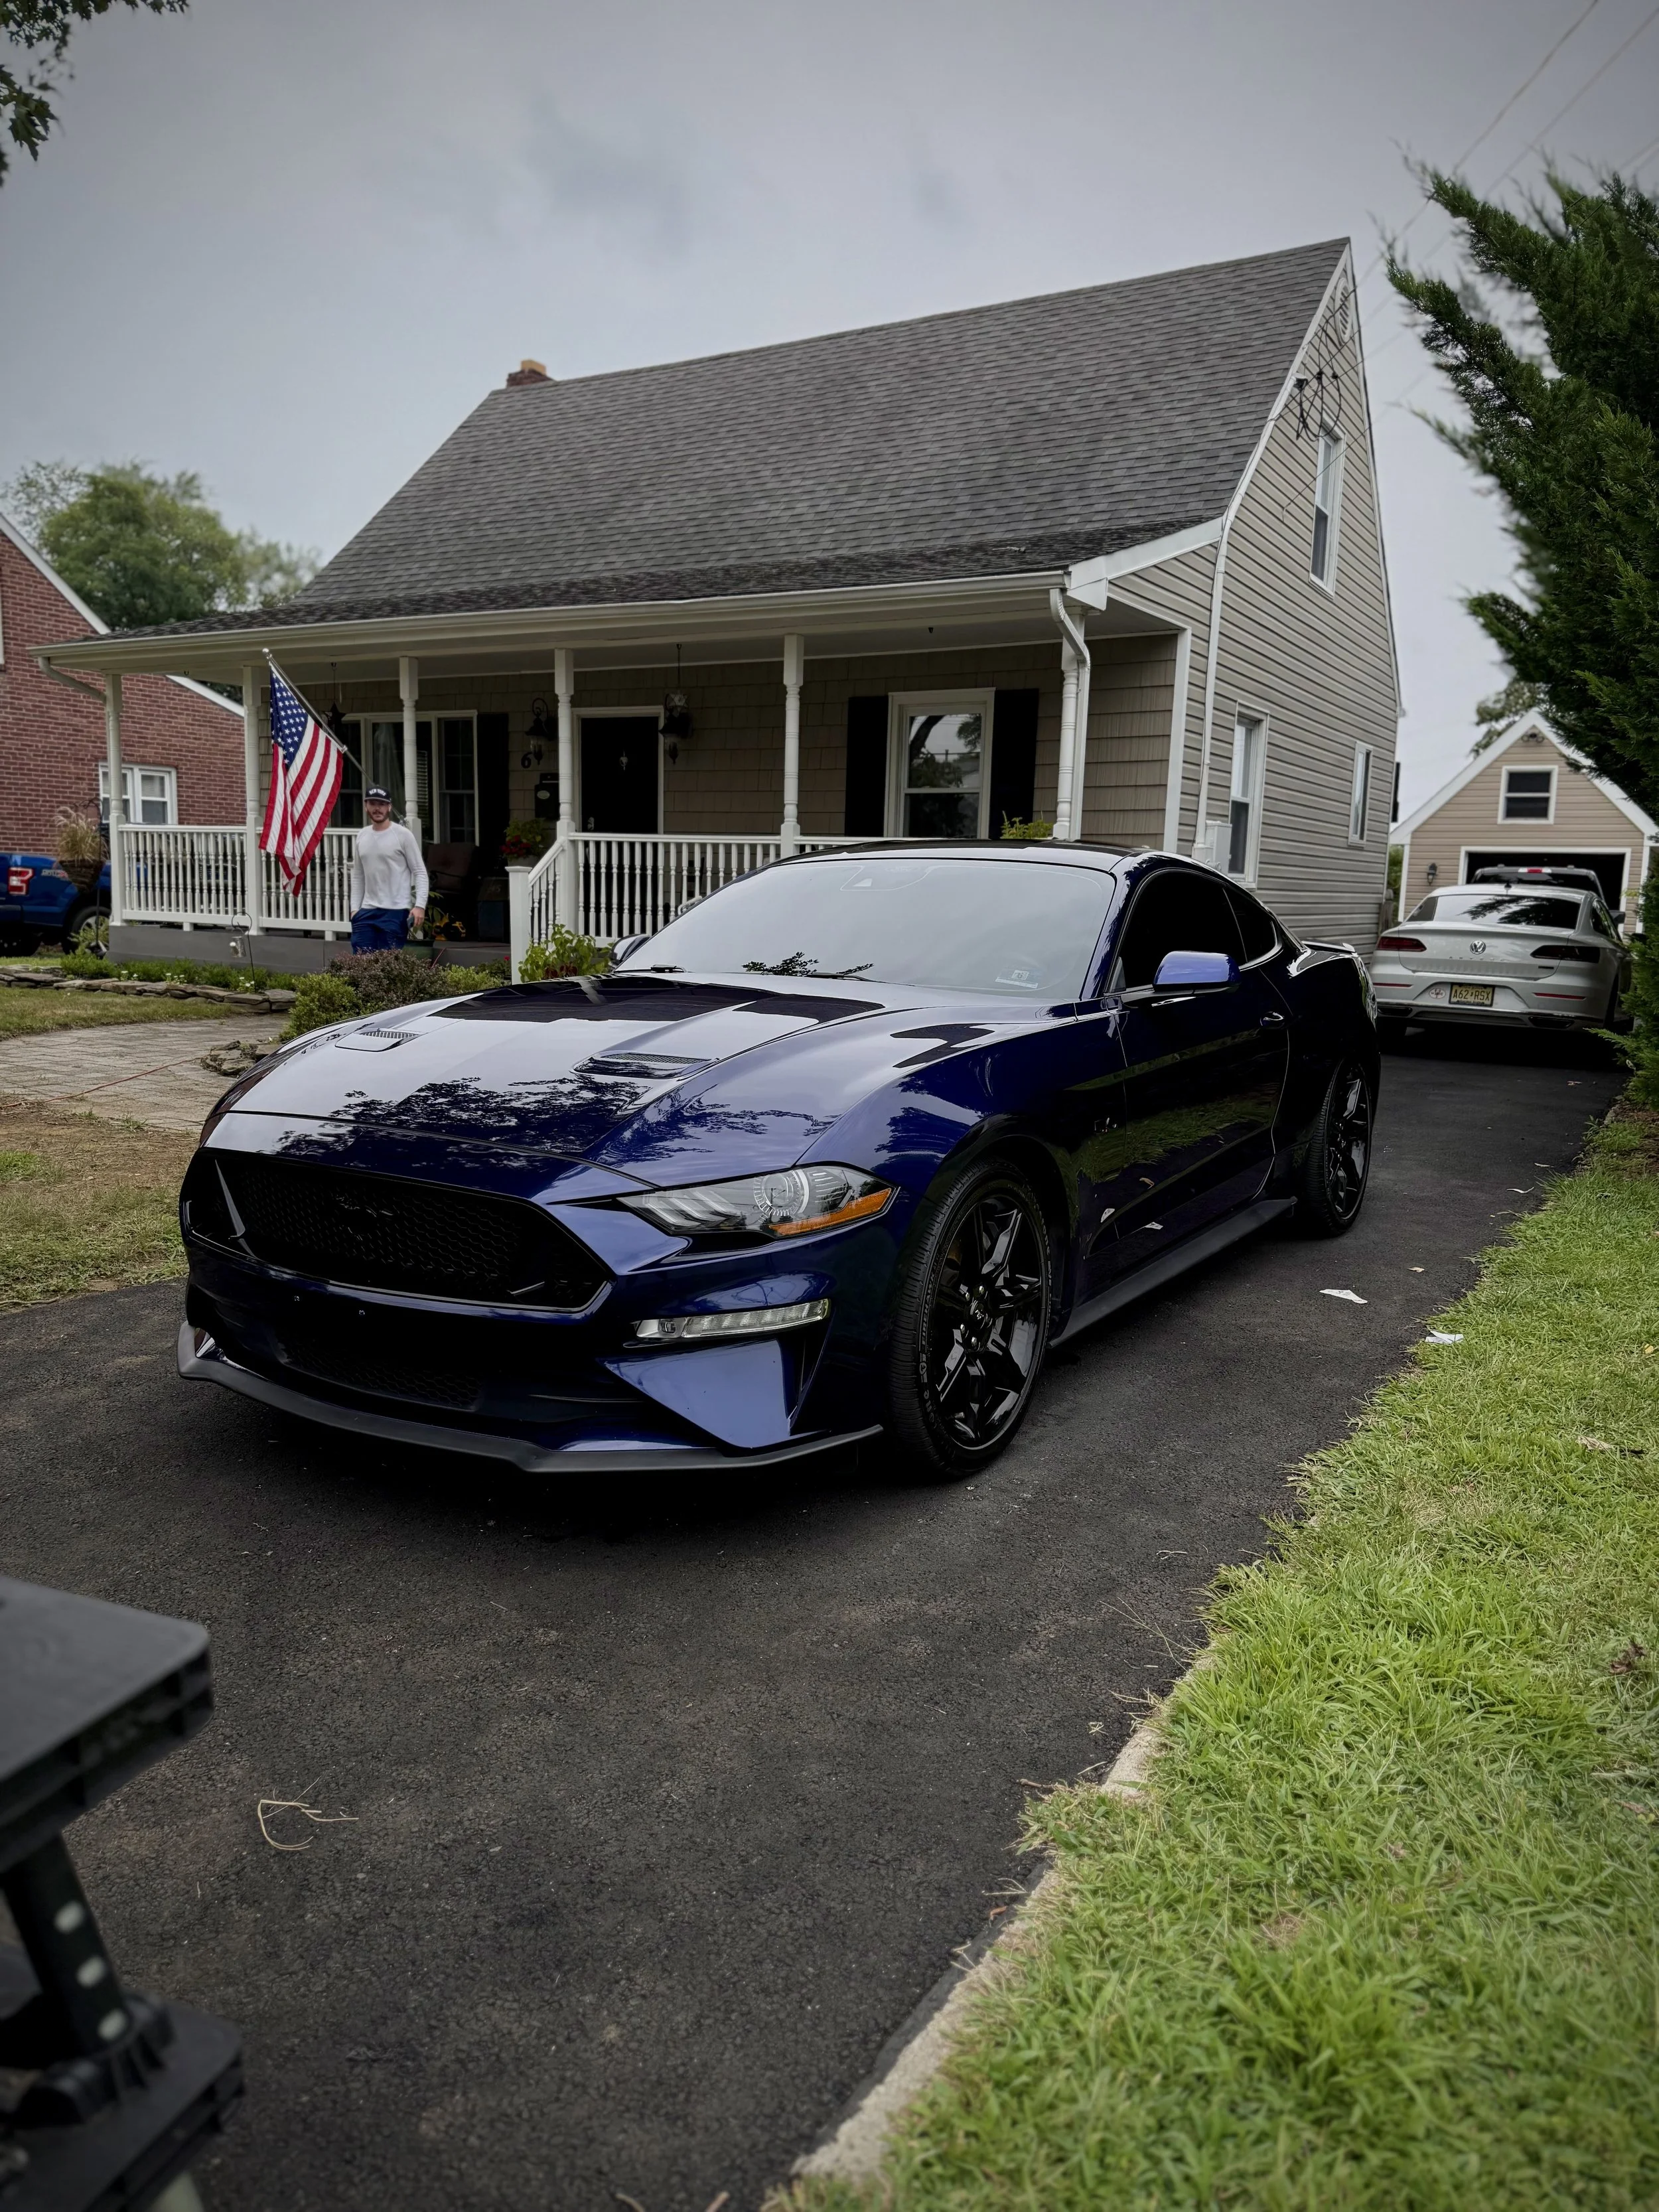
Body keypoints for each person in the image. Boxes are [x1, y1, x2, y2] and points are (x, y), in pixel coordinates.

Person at [349, 786, 428, 952]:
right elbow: (358, 876)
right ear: (366, 806)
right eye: (373, 804)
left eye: (382, 804)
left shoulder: (403, 835)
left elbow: (420, 872)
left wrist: (420, 905)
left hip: (395, 911)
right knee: (360, 964)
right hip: (366, 912)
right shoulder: (362, 835)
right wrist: (355, 910)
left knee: (388, 966)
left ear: (389, 807)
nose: (377, 808)